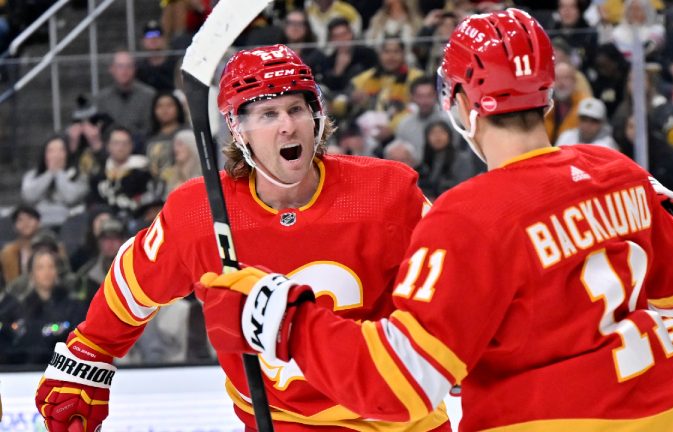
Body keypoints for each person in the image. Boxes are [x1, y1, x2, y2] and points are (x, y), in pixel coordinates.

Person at [195, 10, 673, 431]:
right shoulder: (616, 172)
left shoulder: (468, 218)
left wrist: (285, 322)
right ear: (548, 92)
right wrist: (657, 206)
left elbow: (401, 385)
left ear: (462, 103)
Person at [34, 44, 449, 432]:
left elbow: (455, 285)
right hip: (278, 422)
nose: (288, 126)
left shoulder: (385, 193)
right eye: (268, 114)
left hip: (398, 423)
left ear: (316, 114)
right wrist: (88, 354)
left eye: (296, 109)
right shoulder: (200, 213)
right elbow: (133, 284)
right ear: (239, 130)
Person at [20, 134, 89, 228]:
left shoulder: (79, 176)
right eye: (51, 151)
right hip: (39, 225)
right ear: (44, 155)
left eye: (61, 150)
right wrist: (50, 173)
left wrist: (58, 173)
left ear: (67, 153)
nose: (56, 155)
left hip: (69, 225)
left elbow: (71, 197)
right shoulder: (32, 175)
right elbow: (29, 196)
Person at [555, 97, 619, 150]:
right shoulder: (566, 136)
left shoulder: (608, 146)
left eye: (594, 121)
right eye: (584, 119)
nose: (587, 125)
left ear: (602, 123)